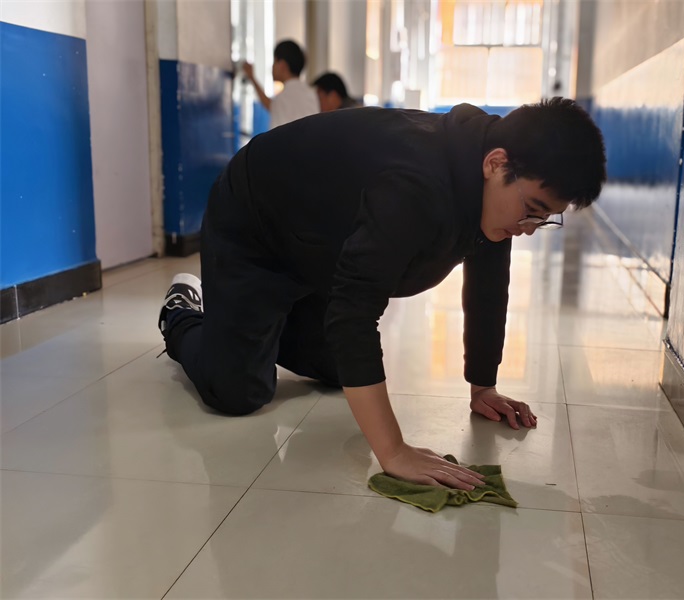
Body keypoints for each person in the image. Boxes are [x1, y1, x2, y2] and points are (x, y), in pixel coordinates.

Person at [158, 98, 606, 490]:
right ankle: (185, 312)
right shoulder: (417, 183)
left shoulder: (491, 184)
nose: (528, 228)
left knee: (338, 369)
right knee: (237, 391)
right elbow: (353, 314)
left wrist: (483, 386)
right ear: (496, 163)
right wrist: (393, 451)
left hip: (322, 246)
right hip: (256, 224)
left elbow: (489, 285)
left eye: (543, 218)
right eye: (531, 210)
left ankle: (257, 321)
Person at [242, 39, 319, 129]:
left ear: (282, 65)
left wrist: (252, 78)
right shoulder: (311, 94)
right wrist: (252, 78)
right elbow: (271, 105)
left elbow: (274, 107)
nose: (272, 67)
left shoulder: (283, 97)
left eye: (274, 62)